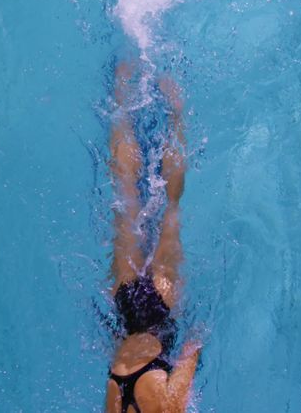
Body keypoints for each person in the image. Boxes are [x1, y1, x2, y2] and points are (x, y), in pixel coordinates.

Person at [104, 62, 201, 413]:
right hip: (124, 311)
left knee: (172, 207)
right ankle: (120, 92)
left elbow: (192, 349)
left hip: (160, 310)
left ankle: (177, 110)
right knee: (125, 194)